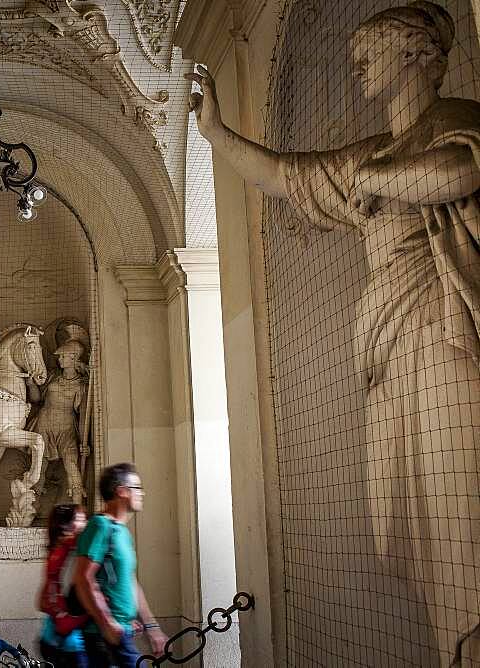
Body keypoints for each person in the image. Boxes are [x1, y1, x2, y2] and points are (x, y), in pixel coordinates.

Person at [187, 3, 479, 663]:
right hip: (390, 348)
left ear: (414, 52)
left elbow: (460, 170)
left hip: (445, 333)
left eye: (369, 51)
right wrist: (215, 135)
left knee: (462, 515)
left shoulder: (456, 122)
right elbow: (286, 176)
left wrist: (380, 181)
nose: (357, 65)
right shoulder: (370, 153)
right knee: (421, 530)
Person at [74, 463, 167, 667]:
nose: (142, 493)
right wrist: (106, 621)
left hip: (121, 630)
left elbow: (131, 581)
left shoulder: (122, 531)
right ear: (122, 491)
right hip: (103, 634)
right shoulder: (99, 526)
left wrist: (152, 627)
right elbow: (83, 578)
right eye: (137, 487)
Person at [30, 339, 89, 503]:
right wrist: (31, 384)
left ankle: (78, 509)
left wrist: (85, 442)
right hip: (44, 423)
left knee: (71, 464)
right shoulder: (53, 377)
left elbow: (83, 416)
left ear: (74, 358)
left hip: (66, 428)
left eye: (63, 356)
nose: (59, 359)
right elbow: (36, 399)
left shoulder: (81, 386)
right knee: (38, 466)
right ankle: (30, 508)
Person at [37, 504, 89, 668]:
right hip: (71, 643)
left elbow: (41, 602)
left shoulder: (55, 554)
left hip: (52, 638)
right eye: (81, 519)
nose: (86, 523)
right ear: (66, 526)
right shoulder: (71, 554)